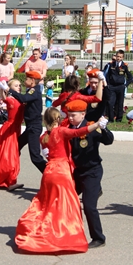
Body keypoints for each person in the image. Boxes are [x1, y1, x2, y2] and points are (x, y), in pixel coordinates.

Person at [14, 105, 108, 254]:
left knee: (48, 205)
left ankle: (41, 229)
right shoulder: (61, 131)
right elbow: (79, 132)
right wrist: (96, 124)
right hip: (62, 172)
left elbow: (47, 154)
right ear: (57, 119)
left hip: (48, 172)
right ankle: (66, 234)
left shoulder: (43, 137)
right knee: (69, 205)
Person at [68, 100, 113, 249]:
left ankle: (98, 238)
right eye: (69, 115)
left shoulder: (92, 127)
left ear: (83, 114)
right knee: (64, 199)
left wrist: (105, 129)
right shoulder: (69, 128)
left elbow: (108, 141)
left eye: (73, 115)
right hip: (77, 171)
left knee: (88, 206)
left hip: (92, 172)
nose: (70, 118)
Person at [8, 71, 46, 174]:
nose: (25, 81)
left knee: (35, 157)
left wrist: (10, 90)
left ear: (32, 80)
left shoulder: (35, 90)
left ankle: (50, 173)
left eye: (27, 79)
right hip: (30, 127)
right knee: (15, 147)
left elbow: (24, 99)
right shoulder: (32, 90)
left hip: (34, 128)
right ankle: (10, 170)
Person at [105, 50, 132, 122]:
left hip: (121, 87)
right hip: (112, 87)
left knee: (120, 104)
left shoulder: (125, 66)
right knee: (110, 103)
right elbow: (107, 75)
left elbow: (130, 77)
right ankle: (110, 119)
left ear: (122, 57)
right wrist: (108, 84)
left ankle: (119, 119)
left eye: (120, 57)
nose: (118, 58)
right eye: (117, 56)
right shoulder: (111, 65)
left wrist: (125, 85)